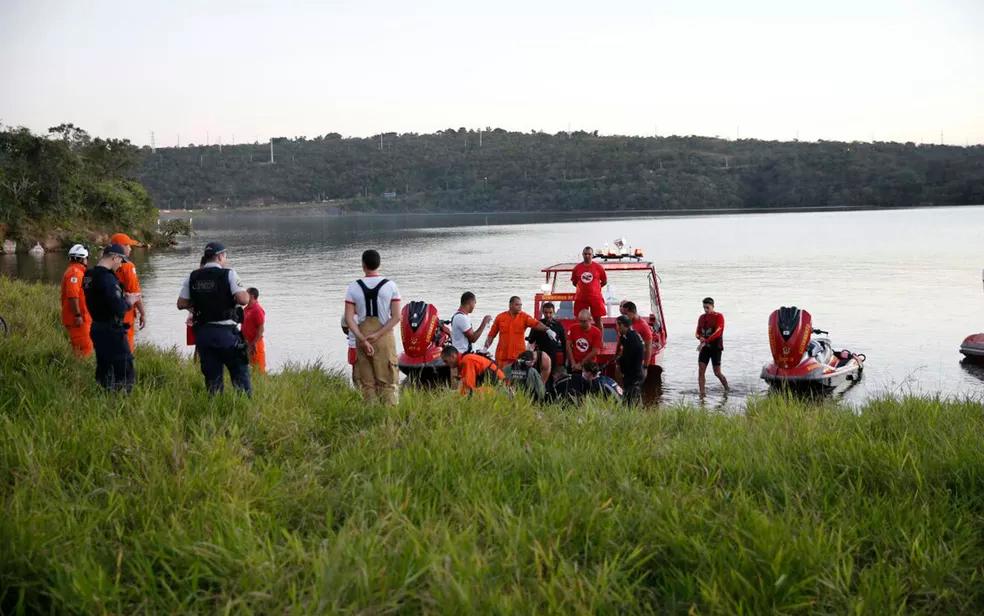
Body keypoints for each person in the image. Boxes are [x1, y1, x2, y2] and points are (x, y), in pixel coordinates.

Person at [177, 242, 252, 395]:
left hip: (204, 334)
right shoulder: (229, 274)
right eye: (225, 256)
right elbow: (243, 299)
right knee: (240, 373)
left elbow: (181, 303)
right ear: (219, 256)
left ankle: (215, 407)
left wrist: (201, 301)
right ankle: (244, 407)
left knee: (212, 379)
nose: (226, 259)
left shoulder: (193, 276)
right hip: (226, 334)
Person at [345, 249, 402, 405]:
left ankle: (370, 417)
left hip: (362, 336)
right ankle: (389, 419)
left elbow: (349, 318)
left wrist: (362, 339)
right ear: (379, 264)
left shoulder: (353, 287)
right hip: (384, 337)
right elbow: (397, 316)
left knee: (367, 384)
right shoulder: (391, 286)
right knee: (388, 382)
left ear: (363, 265)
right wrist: (378, 335)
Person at [83, 244, 138, 392]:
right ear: (114, 257)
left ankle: (103, 396)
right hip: (111, 330)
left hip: (96, 326)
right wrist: (128, 302)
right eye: (121, 261)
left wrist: (120, 297)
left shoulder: (88, 275)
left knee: (104, 366)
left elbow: (100, 299)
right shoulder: (107, 279)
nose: (120, 265)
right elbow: (118, 309)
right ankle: (122, 404)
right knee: (124, 368)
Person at [484, 296, 549, 370]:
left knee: (517, 379)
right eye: (517, 305)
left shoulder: (524, 317)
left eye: (521, 305)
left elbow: (536, 324)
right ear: (510, 305)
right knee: (501, 378)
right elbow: (491, 335)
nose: (520, 307)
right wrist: (485, 348)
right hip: (502, 357)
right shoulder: (500, 317)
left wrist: (547, 330)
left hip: (518, 356)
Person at [110, 233, 146, 352]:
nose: (130, 248)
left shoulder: (106, 264)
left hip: (110, 313)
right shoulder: (128, 267)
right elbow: (135, 293)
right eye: (127, 245)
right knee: (126, 350)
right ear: (121, 247)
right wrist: (143, 313)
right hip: (125, 314)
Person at [61, 244, 93, 357]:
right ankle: (80, 372)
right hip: (78, 319)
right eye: (86, 258)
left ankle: (77, 370)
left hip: (82, 317)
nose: (87, 261)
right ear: (82, 258)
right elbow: (73, 296)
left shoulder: (78, 272)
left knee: (82, 349)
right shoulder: (75, 273)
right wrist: (78, 315)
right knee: (84, 349)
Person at [696, 296, 729, 396]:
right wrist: (700, 337)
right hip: (704, 348)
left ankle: (727, 388)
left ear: (712, 306)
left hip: (716, 347)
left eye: (707, 307)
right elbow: (697, 332)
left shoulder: (719, 317)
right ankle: (702, 394)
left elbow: (718, 332)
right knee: (701, 370)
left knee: (717, 373)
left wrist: (706, 341)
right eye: (704, 307)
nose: (705, 310)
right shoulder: (701, 318)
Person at [571, 246, 607, 328]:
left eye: (589, 254)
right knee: (581, 320)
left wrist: (596, 288)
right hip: (581, 298)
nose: (587, 256)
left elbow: (604, 281)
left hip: (595, 298)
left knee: (598, 320)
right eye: (585, 254)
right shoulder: (577, 268)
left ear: (592, 255)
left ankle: (600, 340)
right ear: (582, 254)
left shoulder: (598, 267)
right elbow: (574, 282)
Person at [617, 301, 653, 379]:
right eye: (623, 314)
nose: (624, 316)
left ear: (632, 312)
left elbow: (648, 347)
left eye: (626, 314)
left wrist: (645, 366)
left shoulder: (643, 326)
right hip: (626, 357)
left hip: (637, 360)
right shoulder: (624, 323)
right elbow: (620, 340)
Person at [527, 301, 567, 371]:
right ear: (543, 312)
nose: (548, 315)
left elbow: (564, 343)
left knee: (551, 377)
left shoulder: (558, 325)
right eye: (546, 313)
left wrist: (565, 360)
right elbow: (531, 340)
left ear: (554, 312)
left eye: (550, 313)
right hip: (540, 355)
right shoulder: (538, 324)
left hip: (553, 356)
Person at [616, 315, 644, 405]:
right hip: (635, 373)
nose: (616, 328)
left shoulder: (631, 339)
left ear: (622, 325)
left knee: (630, 402)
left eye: (617, 325)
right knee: (632, 400)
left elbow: (628, 358)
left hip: (633, 376)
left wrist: (620, 366)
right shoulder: (629, 335)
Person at [243, 287, 266, 373]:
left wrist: (254, 343)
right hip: (247, 343)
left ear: (252, 296)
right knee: (249, 368)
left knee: (259, 369)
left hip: (256, 344)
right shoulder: (246, 309)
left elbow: (261, 328)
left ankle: (263, 384)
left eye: (246, 293)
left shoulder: (257, 309)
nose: (244, 295)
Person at [341, 315, 359, 387]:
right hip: (355, 346)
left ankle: (357, 389)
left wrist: (352, 335)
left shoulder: (347, 314)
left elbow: (344, 328)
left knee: (355, 369)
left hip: (353, 346)